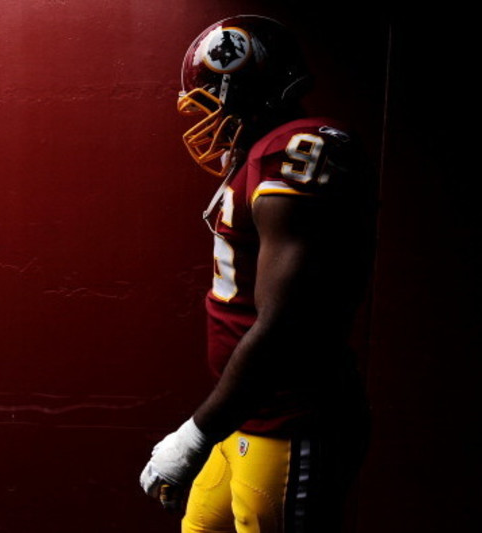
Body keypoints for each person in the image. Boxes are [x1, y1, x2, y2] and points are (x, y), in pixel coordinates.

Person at [140, 14, 377, 533]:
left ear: (244, 89)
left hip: (291, 420)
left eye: (211, 101)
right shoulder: (257, 157)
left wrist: (197, 431)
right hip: (246, 412)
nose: (206, 120)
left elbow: (285, 322)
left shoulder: (297, 148)